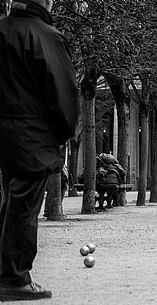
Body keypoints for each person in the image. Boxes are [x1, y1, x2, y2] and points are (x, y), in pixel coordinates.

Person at [0, 0, 79, 301]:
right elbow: (62, 92)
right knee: (24, 202)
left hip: (5, 131)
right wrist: (62, 133)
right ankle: (13, 276)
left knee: (12, 199)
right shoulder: (46, 36)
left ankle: (7, 272)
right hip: (32, 133)